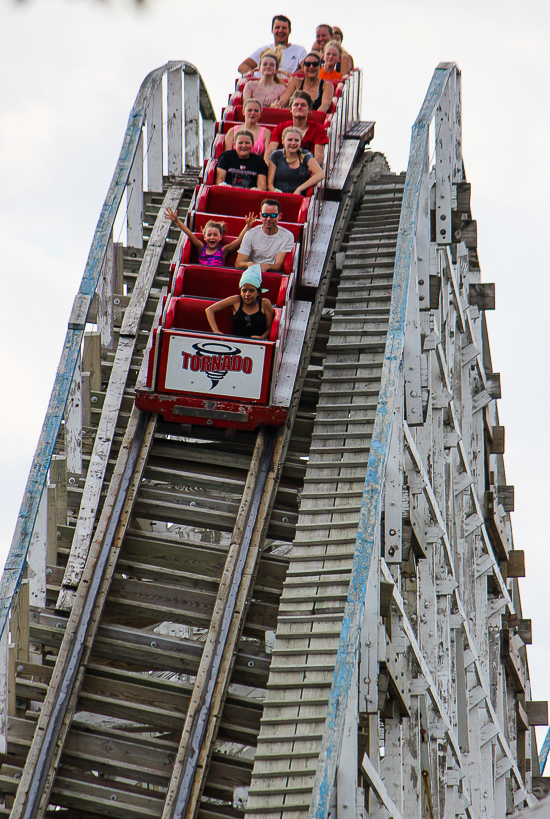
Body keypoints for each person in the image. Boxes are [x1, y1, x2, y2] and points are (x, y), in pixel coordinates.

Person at [164, 210, 256, 267]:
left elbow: (238, 241)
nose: (212, 237)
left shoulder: (223, 250)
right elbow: (189, 234)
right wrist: (176, 221)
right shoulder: (201, 247)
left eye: (215, 235)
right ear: (204, 237)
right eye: (209, 235)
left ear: (220, 237)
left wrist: (247, 226)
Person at [205, 266, 274, 340]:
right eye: (244, 291)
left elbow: (269, 328)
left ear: (258, 292)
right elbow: (209, 310)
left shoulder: (265, 303)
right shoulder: (235, 300)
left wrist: (261, 338)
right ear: (240, 291)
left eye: (251, 291)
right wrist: (216, 331)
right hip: (236, 343)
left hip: (258, 345)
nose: (247, 294)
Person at [265, 92, 329, 166]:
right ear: (290, 109)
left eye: (303, 105)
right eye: (296, 105)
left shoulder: (318, 129)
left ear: (309, 110)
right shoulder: (281, 127)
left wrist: (306, 171)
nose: (299, 107)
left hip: (307, 168)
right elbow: (270, 151)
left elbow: (319, 157)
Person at [236, 199, 294, 272]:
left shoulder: (287, 236)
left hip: (272, 273)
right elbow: (239, 263)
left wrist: (267, 266)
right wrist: (249, 264)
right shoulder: (251, 234)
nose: (268, 219)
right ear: (260, 216)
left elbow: (279, 265)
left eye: (273, 215)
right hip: (251, 272)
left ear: (279, 216)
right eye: (265, 215)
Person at [238, 16, 307, 76]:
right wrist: (252, 73)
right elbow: (243, 66)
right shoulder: (265, 50)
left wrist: (290, 77)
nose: (280, 30)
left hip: (289, 86)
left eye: (284, 28)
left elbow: (307, 67)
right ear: (272, 30)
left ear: (289, 31)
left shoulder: (299, 50)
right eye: (277, 27)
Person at [268, 127, 324, 196]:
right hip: (278, 197)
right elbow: (269, 184)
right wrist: (276, 192)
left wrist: (299, 189)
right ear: (283, 141)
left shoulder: (305, 155)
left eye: (296, 140)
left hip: (298, 197)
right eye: (290, 140)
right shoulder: (276, 155)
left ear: (300, 142)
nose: (293, 143)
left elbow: (320, 174)